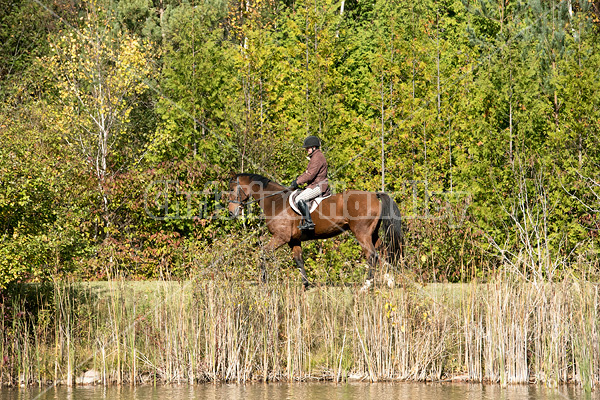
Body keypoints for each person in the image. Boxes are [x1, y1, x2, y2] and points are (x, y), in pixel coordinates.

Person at [289, 135, 331, 230]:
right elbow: (307, 173)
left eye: (308, 148)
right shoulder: (315, 156)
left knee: (299, 198)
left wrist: (297, 182)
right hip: (315, 184)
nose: (306, 150)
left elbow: (310, 175)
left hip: (319, 186)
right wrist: (297, 180)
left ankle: (309, 222)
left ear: (314, 147)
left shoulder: (317, 157)